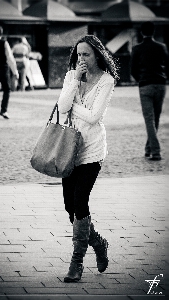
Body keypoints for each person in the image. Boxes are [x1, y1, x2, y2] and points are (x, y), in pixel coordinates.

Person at [57, 35, 120, 282]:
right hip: (69, 150)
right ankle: (97, 241)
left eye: (86, 55)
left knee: (80, 201)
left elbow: (95, 117)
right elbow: (62, 105)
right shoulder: (72, 75)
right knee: (69, 207)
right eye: (79, 54)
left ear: (97, 55)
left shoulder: (107, 80)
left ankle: (76, 262)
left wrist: (74, 107)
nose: (82, 59)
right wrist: (74, 81)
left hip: (92, 150)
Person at [130, 21, 169, 161]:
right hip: (160, 84)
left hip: (145, 85)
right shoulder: (162, 47)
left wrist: (140, 79)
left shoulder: (137, 49)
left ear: (141, 32)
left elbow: (133, 69)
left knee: (149, 119)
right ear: (153, 32)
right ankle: (148, 148)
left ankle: (156, 151)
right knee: (156, 118)